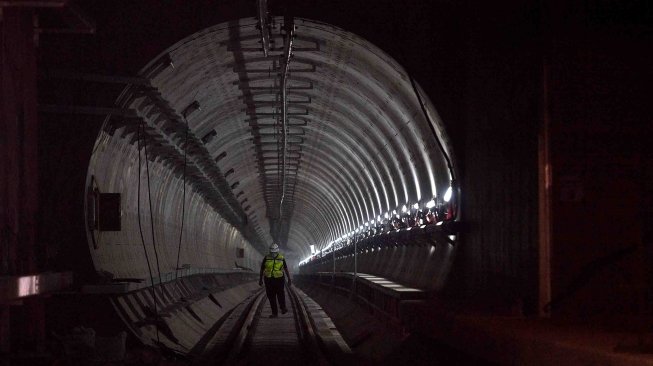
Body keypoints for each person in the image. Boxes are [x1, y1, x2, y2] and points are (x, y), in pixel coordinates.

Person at [258, 243, 291, 318]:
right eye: (272, 252)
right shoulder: (266, 258)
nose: (273, 254)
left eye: (274, 252)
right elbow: (262, 269)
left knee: (281, 294)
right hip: (268, 279)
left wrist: (289, 279)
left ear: (277, 251)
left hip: (279, 279)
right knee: (271, 296)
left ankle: (283, 308)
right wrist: (260, 279)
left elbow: (286, 269)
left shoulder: (281, 258)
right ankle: (274, 313)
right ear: (270, 252)